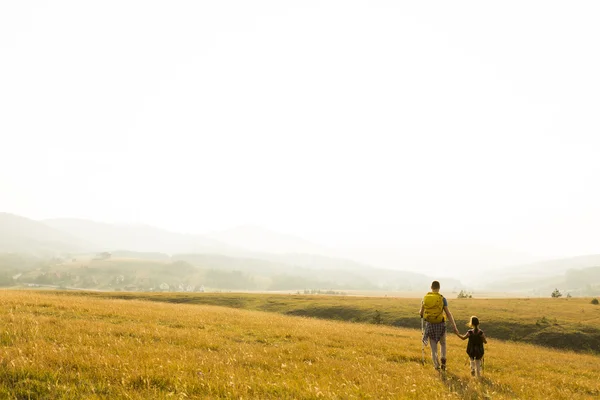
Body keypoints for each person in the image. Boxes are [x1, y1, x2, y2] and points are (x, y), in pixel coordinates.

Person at [419, 280, 458, 370]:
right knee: (443, 343)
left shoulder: (425, 298)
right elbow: (448, 313)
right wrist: (454, 326)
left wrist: (421, 313)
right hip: (441, 324)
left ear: (431, 287)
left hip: (430, 325)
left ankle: (436, 366)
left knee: (433, 348)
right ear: (439, 288)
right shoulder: (442, 299)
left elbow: (421, 313)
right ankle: (443, 358)